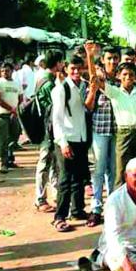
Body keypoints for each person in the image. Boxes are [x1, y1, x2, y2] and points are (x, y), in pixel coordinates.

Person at [51, 55, 97, 232]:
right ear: (66, 69)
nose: (76, 72)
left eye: (79, 68)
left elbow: (87, 108)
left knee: (79, 177)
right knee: (65, 179)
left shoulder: (83, 86)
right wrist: (63, 143)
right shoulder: (61, 89)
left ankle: (78, 210)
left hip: (81, 138)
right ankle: (59, 216)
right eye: (73, 69)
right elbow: (57, 118)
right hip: (66, 139)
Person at [93, 62, 136, 188]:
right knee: (121, 169)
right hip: (124, 133)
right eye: (124, 74)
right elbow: (96, 80)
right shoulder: (115, 92)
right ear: (118, 76)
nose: (128, 77)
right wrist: (90, 56)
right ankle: (118, 202)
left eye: (131, 74)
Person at [87, 46, 120, 227]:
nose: (112, 62)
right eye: (109, 58)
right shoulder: (100, 78)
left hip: (117, 130)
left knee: (113, 170)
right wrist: (90, 57)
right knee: (99, 170)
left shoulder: (122, 79)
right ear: (103, 60)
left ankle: (112, 207)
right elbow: (93, 80)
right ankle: (96, 208)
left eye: (115, 58)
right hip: (100, 129)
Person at [34, 50, 63, 213]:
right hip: (48, 129)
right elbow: (54, 108)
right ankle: (40, 198)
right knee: (45, 162)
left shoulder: (45, 79)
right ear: (57, 63)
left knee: (53, 163)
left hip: (49, 128)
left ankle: (54, 194)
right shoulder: (49, 83)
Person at [0, 62, 23, 174]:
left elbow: (20, 97)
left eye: (7, 70)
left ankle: (10, 159)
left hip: (14, 115)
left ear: (12, 71)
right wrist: (11, 109)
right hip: (2, 114)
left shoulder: (16, 83)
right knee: (3, 139)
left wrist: (16, 110)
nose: (5, 72)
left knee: (14, 136)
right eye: (3, 70)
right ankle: (3, 163)